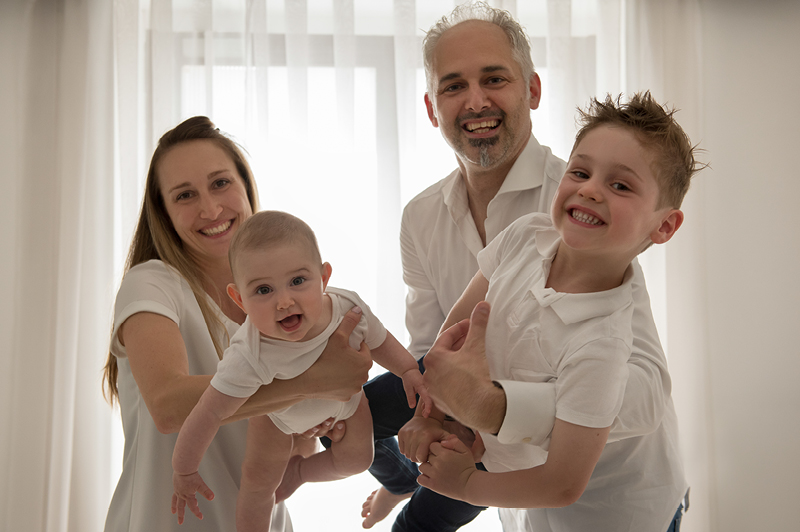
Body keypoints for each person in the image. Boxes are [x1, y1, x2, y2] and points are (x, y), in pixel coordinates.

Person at [361, 3, 683, 531]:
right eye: (453, 86)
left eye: (494, 79)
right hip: (519, 488)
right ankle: (399, 481)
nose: (476, 101)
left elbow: (646, 396)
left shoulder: (587, 209)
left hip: (618, 497)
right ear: (430, 106)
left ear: (532, 90)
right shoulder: (422, 218)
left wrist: (496, 408)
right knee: (351, 412)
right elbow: (435, 350)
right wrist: (439, 418)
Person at [404, 92, 697, 532]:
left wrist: (465, 484)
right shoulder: (526, 235)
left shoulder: (602, 342)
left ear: (663, 226)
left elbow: (562, 484)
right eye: (580, 171)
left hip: (612, 518)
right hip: (531, 508)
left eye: (620, 185)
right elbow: (453, 341)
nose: (590, 188)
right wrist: (433, 417)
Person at [102, 116, 372, 532]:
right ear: (164, 213)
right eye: (185, 195)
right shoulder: (152, 283)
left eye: (220, 183)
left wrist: (319, 417)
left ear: (246, 186)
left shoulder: (278, 305)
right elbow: (169, 408)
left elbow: (292, 451)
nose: (210, 208)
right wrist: (314, 380)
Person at [171, 210, 430, 530]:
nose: (284, 301)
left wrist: (407, 369)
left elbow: (380, 341)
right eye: (263, 290)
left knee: (357, 460)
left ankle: (300, 472)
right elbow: (208, 412)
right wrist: (184, 469)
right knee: (257, 485)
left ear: (323, 278)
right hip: (278, 419)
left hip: (346, 403)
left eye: (297, 281)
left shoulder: (347, 311)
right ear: (240, 299)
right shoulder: (250, 351)